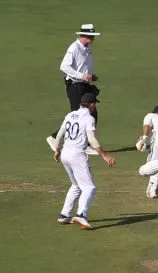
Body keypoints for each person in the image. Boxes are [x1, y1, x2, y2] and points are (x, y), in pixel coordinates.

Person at [53, 93, 116, 230]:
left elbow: (59, 135)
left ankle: (64, 214)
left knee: (76, 185)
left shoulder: (70, 115)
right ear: (92, 104)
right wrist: (105, 155)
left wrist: (57, 150)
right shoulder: (89, 118)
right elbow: (92, 139)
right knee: (89, 187)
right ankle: (81, 215)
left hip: (65, 153)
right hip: (77, 154)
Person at [47, 24, 102, 153]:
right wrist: (82, 76)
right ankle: (54, 138)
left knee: (92, 113)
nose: (93, 39)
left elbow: (83, 66)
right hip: (74, 85)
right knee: (77, 115)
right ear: (84, 36)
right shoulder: (74, 48)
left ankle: (87, 144)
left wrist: (90, 76)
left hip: (84, 85)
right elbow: (64, 67)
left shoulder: (87, 48)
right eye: (91, 37)